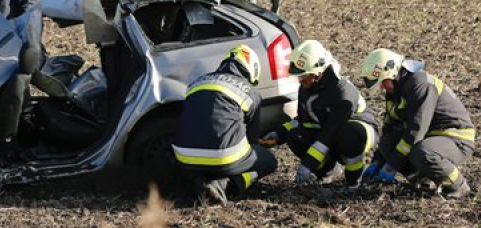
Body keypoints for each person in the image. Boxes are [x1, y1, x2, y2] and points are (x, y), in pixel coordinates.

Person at [259, 40, 379, 188]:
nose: (300, 79)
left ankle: (355, 179)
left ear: (318, 72)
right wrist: (279, 134)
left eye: (303, 75)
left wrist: (307, 164)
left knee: (348, 135)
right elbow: (302, 121)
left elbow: (330, 132)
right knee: (295, 136)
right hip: (329, 133)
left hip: (356, 133)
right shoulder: (307, 87)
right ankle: (328, 172)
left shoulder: (342, 92)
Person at [360, 48, 475, 198]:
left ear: (393, 73)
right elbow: (390, 127)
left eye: (382, 82)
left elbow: (416, 130)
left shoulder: (420, 85)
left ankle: (458, 185)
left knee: (422, 152)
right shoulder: (394, 90)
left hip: (455, 138)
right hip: (429, 137)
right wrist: (378, 160)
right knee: (388, 143)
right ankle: (422, 181)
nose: (381, 88)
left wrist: (391, 165)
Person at [172, 44, 278, 206]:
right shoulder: (250, 92)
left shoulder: (197, 82)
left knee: (202, 160)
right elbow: (252, 140)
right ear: (251, 71)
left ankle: (196, 180)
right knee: (268, 161)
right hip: (224, 158)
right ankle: (225, 185)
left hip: (184, 157)